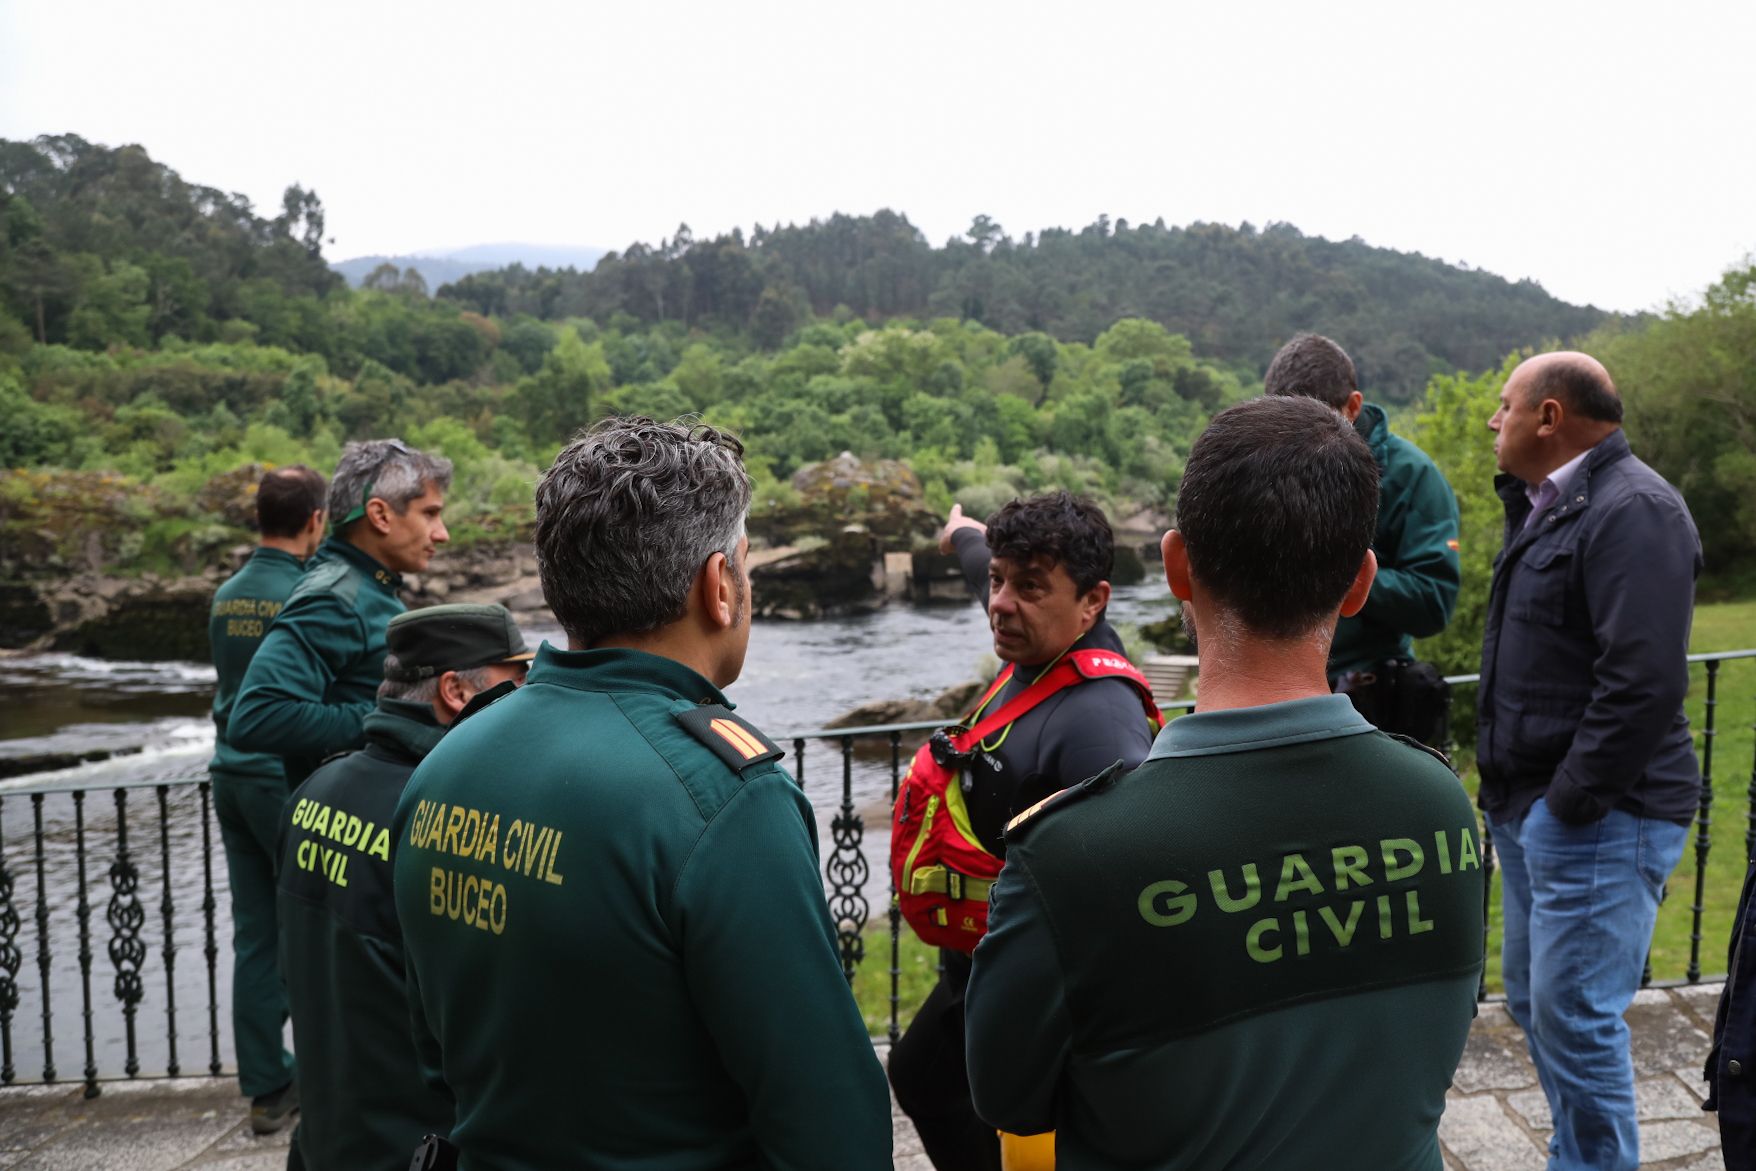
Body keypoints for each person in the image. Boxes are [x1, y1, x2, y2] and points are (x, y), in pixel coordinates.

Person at [966, 396, 1486, 1169]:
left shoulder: (1068, 857)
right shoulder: (1441, 804)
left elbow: (1005, 1096)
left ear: (1177, 566)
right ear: (1359, 583)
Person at [390, 417, 892, 1170]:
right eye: (745, 564)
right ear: (719, 586)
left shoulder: (444, 765)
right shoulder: (722, 801)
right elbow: (829, 1118)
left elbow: (435, 1054)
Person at [890, 491, 1158, 1171]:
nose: (1001, 602)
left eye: (1028, 587)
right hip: (977, 971)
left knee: (993, 1115)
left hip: (1038, 994)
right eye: (997, 580)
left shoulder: (1099, 718)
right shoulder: (1038, 628)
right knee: (922, 1077)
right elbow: (986, 554)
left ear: (1093, 601)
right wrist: (961, 534)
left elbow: (1132, 887)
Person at [1478, 352, 1700, 1171]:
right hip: (1537, 809)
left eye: (1505, 406)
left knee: (1575, 1012)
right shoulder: (1550, 506)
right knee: (1545, 1008)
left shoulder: (1633, 507)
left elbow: (1642, 682)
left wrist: (1567, 802)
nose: (1492, 421)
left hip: (1601, 814)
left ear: (1550, 416)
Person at [278, 603, 532, 1171]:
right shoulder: (448, 819)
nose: (527, 698)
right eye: (515, 682)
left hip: (327, 1138)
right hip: (418, 1147)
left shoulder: (314, 791)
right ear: (455, 692)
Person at [206, 464, 327, 1134]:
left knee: (255, 932)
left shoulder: (227, 593)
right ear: (315, 520)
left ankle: (265, 1085)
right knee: (312, 929)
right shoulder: (308, 593)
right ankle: (323, 1070)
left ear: (259, 517)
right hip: (280, 777)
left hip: (227, 772)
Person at [1265, 332, 1461, 743]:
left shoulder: (1413, 477)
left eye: (1317, 422)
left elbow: (1433, 603)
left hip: (1371, 700)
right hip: (1273, 690)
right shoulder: (1262, 464)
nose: (1299, 443)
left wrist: (1340, 566)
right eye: (1286, 422)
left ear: (1353, 407)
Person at [231, 438, 452, 787]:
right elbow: (258, 716)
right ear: (380, 515)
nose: (442, 534)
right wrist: (401, 716)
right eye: (430, 513)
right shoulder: (336, 597)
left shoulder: (364, 586)